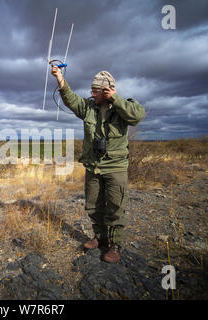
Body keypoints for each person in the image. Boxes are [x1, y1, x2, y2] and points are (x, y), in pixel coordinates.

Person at [51, 66, 145, 263]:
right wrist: (60, 78)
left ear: (106, 90)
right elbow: (70, 99)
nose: (92, 93)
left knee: (115, 207)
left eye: (95, 90)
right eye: (91, 90)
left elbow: (137, 116)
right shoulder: (88, 107)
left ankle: (115, 245)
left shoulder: (123, 106)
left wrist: (116, 99)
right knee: (93, 205)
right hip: (93, 166)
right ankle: (100, 237)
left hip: (115, 167)